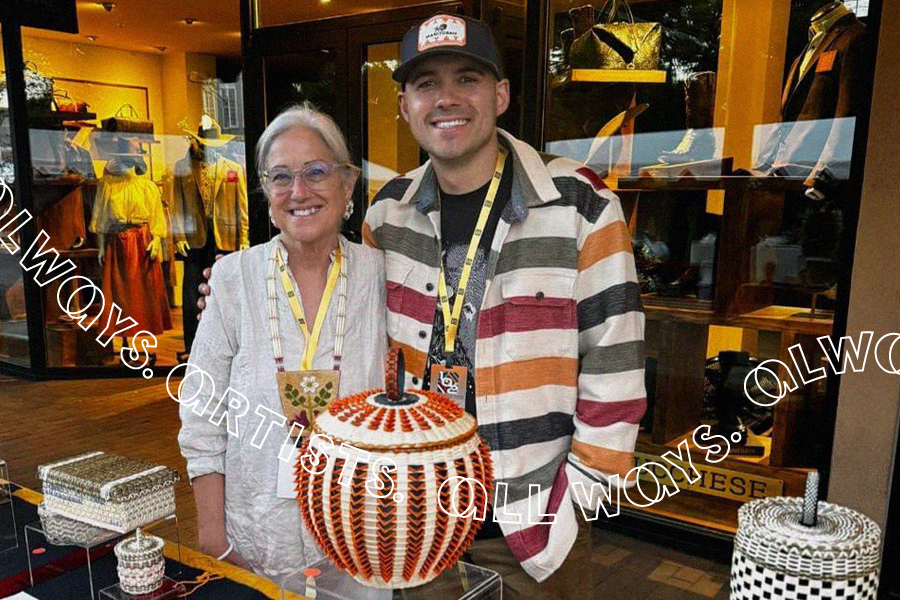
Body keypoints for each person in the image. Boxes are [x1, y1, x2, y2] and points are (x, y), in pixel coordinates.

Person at [362, 14, 646, 600]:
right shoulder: (386, 214)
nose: (446, 99)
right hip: (419, 522)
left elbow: (616, 365)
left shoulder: (580, 206)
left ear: (501, 95)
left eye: (467, 78)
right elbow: (349, 334)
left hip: (534, 533)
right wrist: (232, 288)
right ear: (404, 105)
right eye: (425, 83)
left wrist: (575, 503)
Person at [177, 103, 387, 580]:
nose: (299, 192)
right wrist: (214, 537)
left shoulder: (382, 275)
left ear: (347, 184)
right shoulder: (233, 277)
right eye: (280, 177)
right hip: (253, 542)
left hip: (359, 537)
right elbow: (201, 411)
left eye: (316, 172)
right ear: (266, 192)